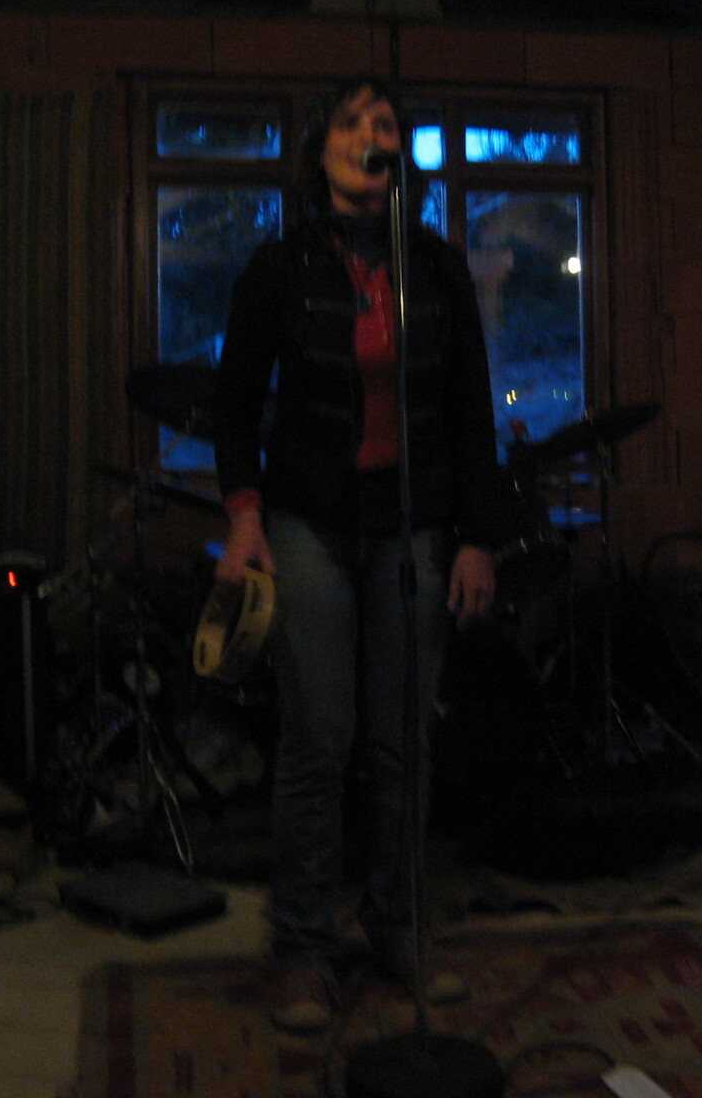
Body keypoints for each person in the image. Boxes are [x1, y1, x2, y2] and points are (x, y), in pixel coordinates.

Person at [212, 78, 505, 1031]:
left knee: (402, 741)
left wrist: (477, 536)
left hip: (412, 522)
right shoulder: (279, 265)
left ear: (398, 158)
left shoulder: (436, 267)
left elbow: (469, 410)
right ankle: (302, 948)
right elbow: (232, 405)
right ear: (321, 151)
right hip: (310, 519)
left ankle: (398, 929)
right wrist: (244, 517)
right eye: (351, 123)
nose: (370, 135)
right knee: (318, 740)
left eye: (385, 125)